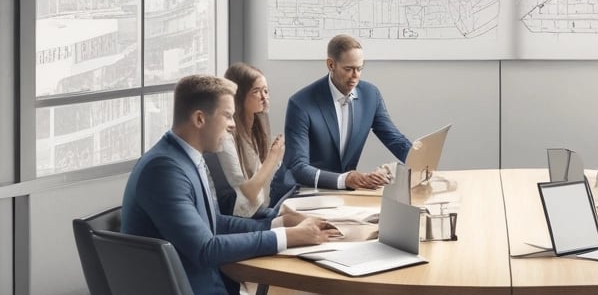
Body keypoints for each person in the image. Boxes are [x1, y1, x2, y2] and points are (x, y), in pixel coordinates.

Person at [121, 75, 336, 295]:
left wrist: (278, 223)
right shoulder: (164, 170)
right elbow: (206, 249)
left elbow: (214, 223)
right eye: (227, 116)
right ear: (199, 119)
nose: (233, 125)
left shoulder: (184, 159)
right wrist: (290, 236)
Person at [274, 34, 415, 197]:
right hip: (300, 190)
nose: (355, 76)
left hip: (341, 194)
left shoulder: (370, 95)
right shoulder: (300, 104)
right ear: (331, 64)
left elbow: (395, 139)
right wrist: (345, 179)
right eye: (348, 69)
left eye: (359, 68)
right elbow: (298, 168)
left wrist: (418, 162)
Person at [205, 62, 285, 218]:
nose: (264, 97)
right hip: (243, 214)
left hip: (259, 207)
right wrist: (272, 158)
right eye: (256, 91)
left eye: (266, 91)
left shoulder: (255, 127)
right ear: (239, 97)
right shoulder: (226, 138)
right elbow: (249, 193)